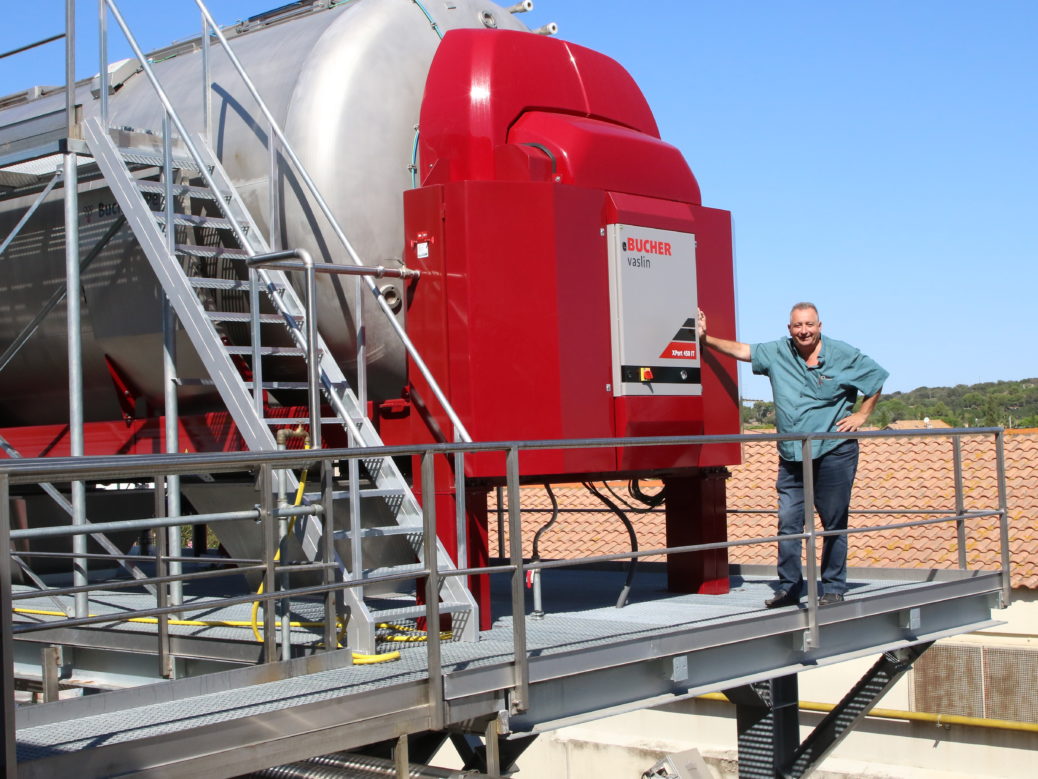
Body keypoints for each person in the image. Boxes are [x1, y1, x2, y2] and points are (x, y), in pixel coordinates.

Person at [697, 303, 888, 608]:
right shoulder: (778, 352)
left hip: (834, 451)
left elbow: (876, 379)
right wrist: (707, 340)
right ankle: (789, 587)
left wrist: (863, 415)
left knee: (833, 521)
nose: (804, 331)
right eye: (798, 326)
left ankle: (833, 587)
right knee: (788, 522)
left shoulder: (842, 354)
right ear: (790, 329)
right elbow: (744, 351)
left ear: (819, 325)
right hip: (792, 454)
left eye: (809, 325)